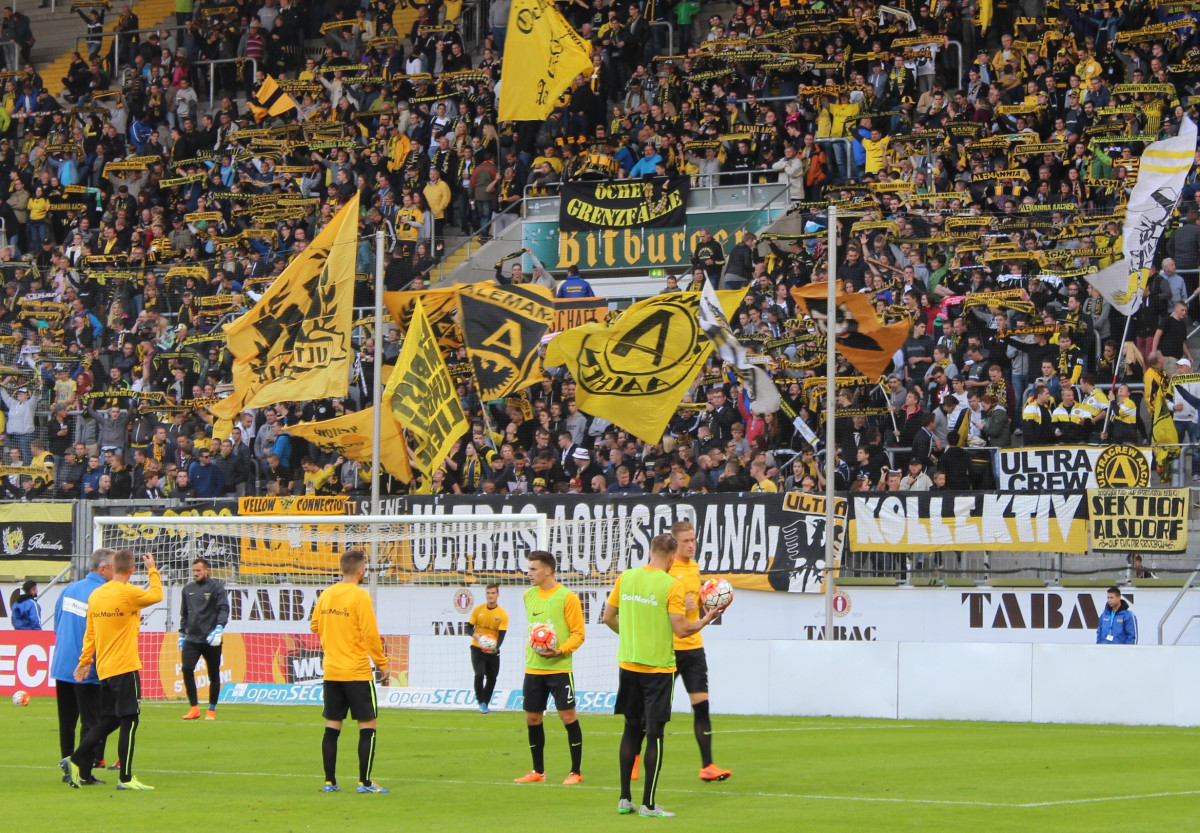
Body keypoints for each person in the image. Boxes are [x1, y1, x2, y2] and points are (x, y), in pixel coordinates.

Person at [602, 533, 723, 817]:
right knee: (654, 735)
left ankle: (624, 798)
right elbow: (682, 629)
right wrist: (705, 619)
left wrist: (630, 634)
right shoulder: (671, 585)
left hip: (628, 665)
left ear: (650, 552)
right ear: (671, 558)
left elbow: (608, 617)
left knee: (631, 730)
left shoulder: (626, 577)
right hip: (657, 670)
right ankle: (648, 804)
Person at [63, 548, 163, 791]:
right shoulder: (128, 592)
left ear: (114, 567)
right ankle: (125, 778)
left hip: (105, 668)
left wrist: (85, 661)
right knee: (130, 719)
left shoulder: (97, 595)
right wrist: (152, 570)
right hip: (125, 666)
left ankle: (75, 759)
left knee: (111, 719)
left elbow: (90, 632)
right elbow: (157, 595)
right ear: (132, 570)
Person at [310, 549, 389, 794]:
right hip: (356, 671)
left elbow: (314, 626)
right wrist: (382, 663)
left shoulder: (326, 594)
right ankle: (364, 782)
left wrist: (334, 636)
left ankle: (329, 782)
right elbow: (370, 634)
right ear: (361, 571)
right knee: (368, 725)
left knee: (332, 726)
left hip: (332, 671)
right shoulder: (360, 596)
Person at [666, 521, 732, 781]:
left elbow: (695, 605)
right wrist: (680, 605)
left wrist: (711, 604)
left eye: (693, 539)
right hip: (668, 648)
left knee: (701, 707)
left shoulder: (694, 567)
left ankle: (707, 766)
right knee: (656, 710)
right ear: (674, 543)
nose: (691, 545)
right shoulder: (667, 569)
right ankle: (635, 757)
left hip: (693, 647)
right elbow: (658, 606)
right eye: (686, 541)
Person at [514, 550, 585, 785]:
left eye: (533, 569)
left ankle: (575, 772)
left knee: (568, 716)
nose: (529, 573)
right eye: (529, 568)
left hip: (560, 669)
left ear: (548, 570)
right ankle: (538, 771)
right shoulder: (528, 595)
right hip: (533, 669)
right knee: (532, 719)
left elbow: (578, 634)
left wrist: (560, 650)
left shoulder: (567, 598)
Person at [51, 549, 114, 784]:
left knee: (67, 722)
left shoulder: (69, 590)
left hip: (62, 664)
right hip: (86, 667)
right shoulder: (103, 593)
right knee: (92, 722)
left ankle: (67, 768)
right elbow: (104, 633)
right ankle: (83, 772)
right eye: (114, 566)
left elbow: (57, 624)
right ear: (104, 568)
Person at [179, 557, 230, 721]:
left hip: (211, 638)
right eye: (194, 571)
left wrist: (219, 628)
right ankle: (194, 707)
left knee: (213, 674)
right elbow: (184, 614)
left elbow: (223, 609)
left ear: (206, 570)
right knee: (187, 669)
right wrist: (181, 634)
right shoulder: (188, 589)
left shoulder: (216, 588)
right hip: (192, 638)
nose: (196, 573)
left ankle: (211, 709)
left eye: (199, 570)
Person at [467, 583, 508, 714]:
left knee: (492, 677)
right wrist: (475, 635)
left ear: (498, 594)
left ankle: (485, 703)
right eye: (488, 593)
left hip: (492, 650)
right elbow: (468, 627)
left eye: (493, 593)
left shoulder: (502, 614)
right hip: (477, 648)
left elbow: (502, 635)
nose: (490, 596)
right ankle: (482, 703)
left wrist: (496, 648)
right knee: (479, 674)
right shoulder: (478, 610)